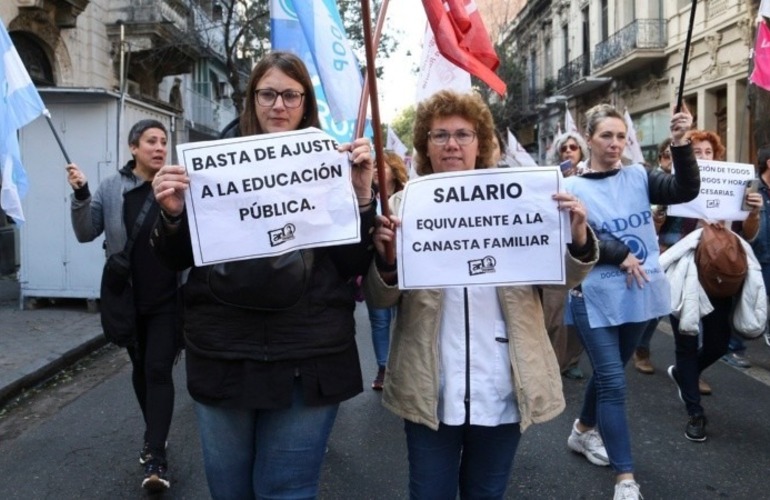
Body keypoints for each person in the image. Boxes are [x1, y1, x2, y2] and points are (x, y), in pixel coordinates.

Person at [149, 51, 376, 499]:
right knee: (229, 491)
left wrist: (362, 197)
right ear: (251, 99)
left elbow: (352, 266)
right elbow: (176, 259)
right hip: (224, 352)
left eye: (291, 95)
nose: (279, 105)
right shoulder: (209, 166)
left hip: (308, 352)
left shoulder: (332, 165)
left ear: (306, 103)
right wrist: (172, 216)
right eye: (268, 93)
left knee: (288, 489)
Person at [363, 89, 599, 499]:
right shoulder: (402, 206)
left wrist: (577, 235)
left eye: (463, 134)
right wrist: (386, 261)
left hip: (503, 385)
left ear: (481, 143)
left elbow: (564, 279)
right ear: (425, 145)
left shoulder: (526, 199)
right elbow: (380, 300)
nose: (451, 144)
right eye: (439, 135)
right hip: (430, 388)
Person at [563, 103, 699, 500]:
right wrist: (617, 251)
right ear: (589, 138)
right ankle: (626, 478)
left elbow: (685, 189)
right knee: (615, 383)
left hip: (640, 294)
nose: (615, 144)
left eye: (621, 136)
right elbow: (572, 241)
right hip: (594, 297)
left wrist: (680, 144)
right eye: (606, 135)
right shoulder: (571, 188)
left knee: (610, 374)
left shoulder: (640, 175)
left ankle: (583, 430)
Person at [66, 119, 182, 492]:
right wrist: (81, 194)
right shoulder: (112, 187)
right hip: (129, 298)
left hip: (168, 297)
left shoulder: (177, 183)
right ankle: (155, 435)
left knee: (159, 369)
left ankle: (156, 458)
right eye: (151, 141)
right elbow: (86, 232)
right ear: (133, 147)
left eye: (164, 141)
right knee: (141, 369)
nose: (159, 148)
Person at [664, 128, 756, 442]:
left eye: (707, 152)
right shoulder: (677, 187)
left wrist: (752, 210)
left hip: (719, 278)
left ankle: (683, 374)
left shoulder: (733, 189)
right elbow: (666, 234)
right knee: (686, 343)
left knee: (718, 343)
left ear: (716, 157)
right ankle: (695, 413)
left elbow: (749, 235)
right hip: (686, 273)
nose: (703, 158)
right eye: (696, 153)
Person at [544, 131, 591, 379]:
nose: (569, 151)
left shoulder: (591, 180)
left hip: (583, 253)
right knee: (554, 315)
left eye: (574, 147)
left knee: (579, 317)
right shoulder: (548, 181)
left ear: (582, 152)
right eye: (564, 148)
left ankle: (571, 360)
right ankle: (550, 364)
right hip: (555, 255)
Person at [367, 150, 408, 390]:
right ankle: (383, 367)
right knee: (380, 319)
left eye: (380, 166)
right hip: (378, 270)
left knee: (403, 319)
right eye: (371, 165)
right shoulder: (364, 196)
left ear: (394, 170)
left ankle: (401, 366)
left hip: (407, 270)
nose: (374, 170)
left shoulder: (408, 197)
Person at [633, 138, 673, 374]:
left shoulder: (689, 183)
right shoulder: (650, 184)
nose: (671, 162)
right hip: (656, 250)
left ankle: (691, 368)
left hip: (687, 252)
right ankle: (641, 348)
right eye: (666, 156)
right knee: (656, 307)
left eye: (675, 156)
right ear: (660, 159)